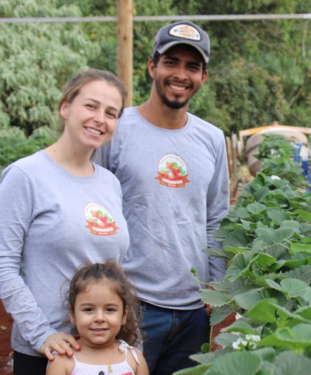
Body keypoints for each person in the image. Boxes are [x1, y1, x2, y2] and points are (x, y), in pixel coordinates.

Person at [93, 20, 230, 375]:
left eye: (192, 66)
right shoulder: (117, 130)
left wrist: (215, 291)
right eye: (171, 62)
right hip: (131, 303)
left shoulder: (212, 139)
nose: (180, 74)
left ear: (204, 77)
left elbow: (216, 217)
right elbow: (93, 210)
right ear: (152, 66)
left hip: (194, 309)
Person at [0, 69, 130, 375]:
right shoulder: (26, 176)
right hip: (49, 353)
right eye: (90, 106)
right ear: (65, 107)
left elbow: (116, 267)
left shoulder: (109, 183)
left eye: (111, 113)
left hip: (103, 349)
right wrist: (41, 334)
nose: (99, 119)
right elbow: (1, 264)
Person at [46, 262, 149, 375]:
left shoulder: (134, 360)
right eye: (88, 309)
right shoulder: (62, 361)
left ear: (124, 315)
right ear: (72, 314)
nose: (99, 318)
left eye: (109, 310)